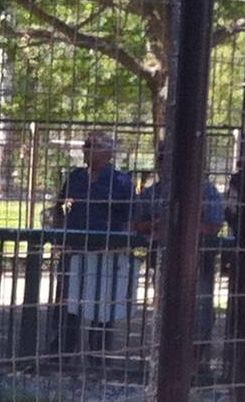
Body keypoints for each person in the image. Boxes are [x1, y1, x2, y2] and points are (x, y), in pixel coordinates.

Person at [135, 147, 227, 380]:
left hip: (199, 262)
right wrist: (157, 225)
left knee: (201, 311)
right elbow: (136, 224)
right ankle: (167, 363)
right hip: (163, 262)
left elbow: (213, 227)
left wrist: (179, 226)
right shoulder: (152, 193)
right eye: (163, 160)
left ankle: (196, 362)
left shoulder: (207, 191)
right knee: (165, 310)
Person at [50, 130, 135, 365]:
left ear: (108, 153)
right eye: (85, 145)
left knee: (102, 304)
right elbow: (58, 206)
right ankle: (61, 351)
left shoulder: (121, 181)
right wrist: (60, 234)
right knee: (66, 301)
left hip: (105, 251)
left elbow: (130, 217)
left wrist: (120, 246)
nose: (85, 149)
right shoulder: (75, 177)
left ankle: (98, 354)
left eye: (92, 145)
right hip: (74, 250)